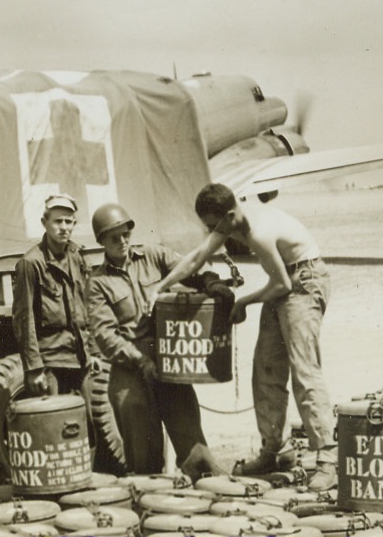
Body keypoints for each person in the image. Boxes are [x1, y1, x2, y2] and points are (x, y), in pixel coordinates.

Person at [148, 182, 338, 490]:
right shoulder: (232, 218)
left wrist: (243, 301)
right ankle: (275, 451)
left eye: (214, 225)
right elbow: (197, 256)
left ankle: (327, 459)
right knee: (265, 371)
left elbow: (283, 287)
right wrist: (162, 285)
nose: (212, 231)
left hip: (304, 282)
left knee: (305, 373)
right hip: (284, 282)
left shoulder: (259, 232)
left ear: (230, 215)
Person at [86, 202, 231, 479]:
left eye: (125, 233)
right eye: (113, 237)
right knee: (145, 464)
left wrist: (212, 283)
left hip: (170, 361)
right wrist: (142, 362)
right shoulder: (97, 282)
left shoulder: (154, 255)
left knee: (195, 451)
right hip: (130, 373)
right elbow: (106, 336)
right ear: (101, 241)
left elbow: (191, 269)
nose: (122, 241)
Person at [12, 193, 99, 395]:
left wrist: (92, 351)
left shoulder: (76, 256)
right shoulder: (31, 263)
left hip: (80, 359)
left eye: (69, 222)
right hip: (50, 361)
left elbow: (87, 306)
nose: (64, 227)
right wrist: (34, 368)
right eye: (57, 221)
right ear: (45, 222)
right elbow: (24, 318)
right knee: (56, 423)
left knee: (88, 421)